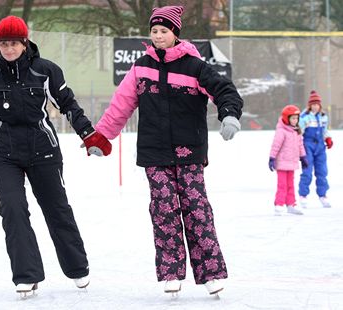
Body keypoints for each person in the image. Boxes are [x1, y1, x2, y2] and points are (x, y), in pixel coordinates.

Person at [0, 15, 112, 296]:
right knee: (12, 209)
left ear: (25, 43)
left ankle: (77, 267)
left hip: (42, 149)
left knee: (56, 208)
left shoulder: (45, 70)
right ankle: (27, 275)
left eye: (14, 43)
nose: (9, 49)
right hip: (3, 153)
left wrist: (88, 134)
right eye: (3, 44)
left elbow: (68, 103)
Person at [91, 6, 243, 295]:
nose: (158, 36)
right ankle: (171, 272)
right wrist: (102, 137)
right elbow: (120, 104)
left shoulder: (195, 66)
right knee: (164, 210)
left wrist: (229, 114)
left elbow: (224, 90)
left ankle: (211, 273)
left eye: (164, 31)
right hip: (154, 152)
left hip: (189, 151)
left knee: (196, 210)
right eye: (154, 31)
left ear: (175, 33)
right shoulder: (141, 66)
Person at [268, 105, 308, 216]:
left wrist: (303, 157)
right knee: (282, 185)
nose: (295, 120)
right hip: (282, 163)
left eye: (297, 118)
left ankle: (291, 204)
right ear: (287, 118)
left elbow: (300, 145)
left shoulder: (296, 131)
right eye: (293, 118)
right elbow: (275, 145)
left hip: (292, 162)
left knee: (291, 185)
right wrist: (272, 158)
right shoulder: (282, 131)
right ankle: (279, 204)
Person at [298, 90, 333, 208]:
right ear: (309, 105)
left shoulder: (323, 117)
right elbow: (299, 131)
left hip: (320, 147)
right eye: (313, 104)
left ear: (320, 105)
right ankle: (303, 195)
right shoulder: (305, 117)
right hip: (308, 146)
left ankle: (323, 195)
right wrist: (297, 144)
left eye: (317, 104)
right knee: (307, 172)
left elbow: (324, 130)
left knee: (322, 172)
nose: (315, 107)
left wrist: (327, 138)